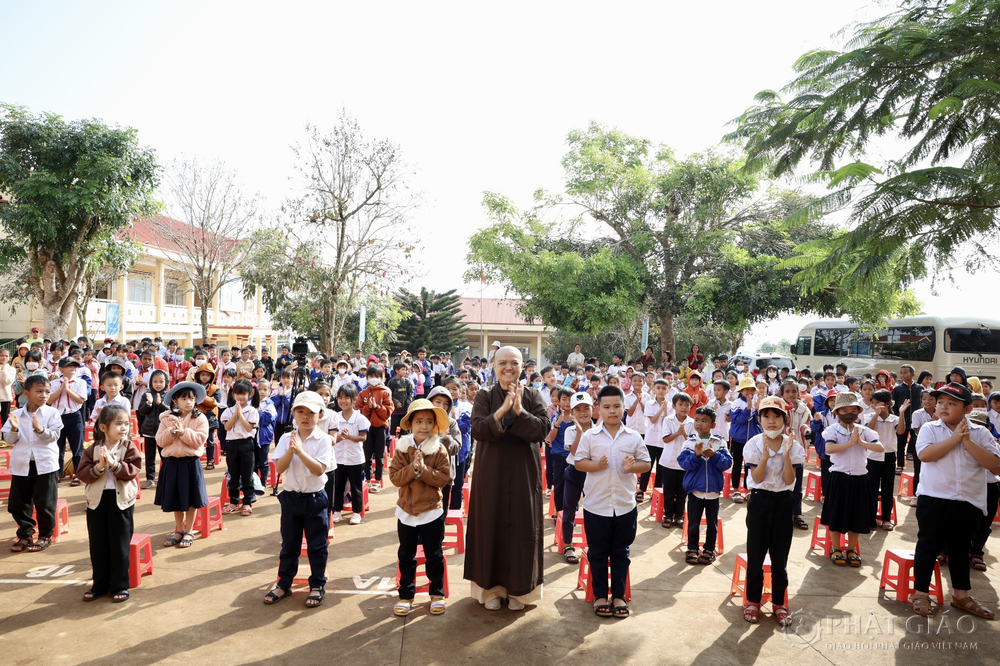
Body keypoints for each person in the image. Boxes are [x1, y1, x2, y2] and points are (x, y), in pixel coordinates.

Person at [466, 346, 549, 611]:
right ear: (493, 365)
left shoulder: (534, 394)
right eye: (502, 363)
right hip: (491, 472)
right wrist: (502, 410)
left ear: (523, 366)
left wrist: (521, 411)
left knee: (524, 528)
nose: (508, 367)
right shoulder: (484, 395)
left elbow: (542, 429)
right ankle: (490, 591)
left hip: (525, 472)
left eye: (514, 362)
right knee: (490, 524)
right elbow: (478, 429)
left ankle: (520, 592)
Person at [909, 383, 1000, 619]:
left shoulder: (981, 433)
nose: (943, 407)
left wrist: (967, 441)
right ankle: (920, 593)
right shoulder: (930, 429)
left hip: (968, 501)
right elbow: (925, 455)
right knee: (928, 546)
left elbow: (995, 465)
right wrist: (955, 439)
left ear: (968, 409)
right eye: (940, 402)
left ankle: (961, 596)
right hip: (934, 499)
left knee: (961, 549)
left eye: (952, 403)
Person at [575, 385, 650, 618]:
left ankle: (618, 596)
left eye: (617, 406)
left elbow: (646, 463)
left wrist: (632, 467)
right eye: (606, 407)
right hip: (596, 506)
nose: (612, 411)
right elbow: (578, 462)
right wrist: (596, 465)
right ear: (598, 409)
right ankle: (599, 596)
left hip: (625, 506)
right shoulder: (590, 436)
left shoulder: (634, 436)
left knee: (620, 552)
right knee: (597, 552)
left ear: (624, 407)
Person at [263, 391, 334, 609]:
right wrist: (292, 451)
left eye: (310, 413)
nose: (304, 416)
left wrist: (301, 452)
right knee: (289, 545)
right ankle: (284, 584)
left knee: (317, 545)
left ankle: (317, 585)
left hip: (315, 500)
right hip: (291, 498)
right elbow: (280, 468)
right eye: (300, 411)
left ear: (320, 415)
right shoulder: (286, 438)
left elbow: (319, 469)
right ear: (293, 413)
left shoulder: (323, 440)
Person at [742, 396, 806, 626]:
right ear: (759, 419)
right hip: (759, 502)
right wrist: (766, 456)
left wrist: (786, 456)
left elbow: (790, 479)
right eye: (766, 416)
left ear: (784, 419)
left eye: (776, 416)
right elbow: (756, 477)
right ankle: (752, 601)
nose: (771, 421)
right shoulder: (754, 444)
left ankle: (780, 603)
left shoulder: (794, 446)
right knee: (756, 555)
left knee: (780, 557)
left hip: (783, 503)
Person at [388, 398, 452, 617]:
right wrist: (412, 468)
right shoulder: (402, 449)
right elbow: (395, 478)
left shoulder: (439, 450)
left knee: (434, 554)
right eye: (418, 421)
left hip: (432, 511)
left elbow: (443, 478)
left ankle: (437, 593)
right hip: (406, 512)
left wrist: (423, 470)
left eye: (428, 421)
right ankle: (406, 595)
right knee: (406, 555)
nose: (423, 426)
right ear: (410, 425)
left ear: (434, 425)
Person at [76, 404, 141, 603]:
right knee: (98, 544)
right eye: (118, 424)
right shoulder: (93, 449)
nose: (124, 428)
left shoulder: (128, 446)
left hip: (121, 502)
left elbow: (134, 468)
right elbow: (82, 474)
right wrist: (99, 467)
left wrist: (114, 465)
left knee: (120, 544)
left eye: (126, 424)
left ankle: (120, 584)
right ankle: (99, 584)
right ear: (103, 427)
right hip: (97, 502)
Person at [821, 391, 883, 567]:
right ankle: (836, 547)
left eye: (853, 410)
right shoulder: (832, 430)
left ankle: (851, 549)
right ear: (837, 412)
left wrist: (861, 443)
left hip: (859, 478)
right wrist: (850, 443)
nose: (849, 413)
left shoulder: (864, 431)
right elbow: (829, 449)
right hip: (839, 478)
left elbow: (879, 447)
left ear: (858, 411)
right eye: (844, 410)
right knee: (836, 515)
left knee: (856, 516)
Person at [3, 374, 63, 552]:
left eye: (47, 392)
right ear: (26, 394)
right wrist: (14, 428)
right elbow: (9, 439)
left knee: (45, 502)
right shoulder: (17, 415)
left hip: (45, 464)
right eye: (39, 391)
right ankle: (25, 534)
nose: (44, 395)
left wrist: (39, 429)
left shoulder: (52, 413)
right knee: (18, 502)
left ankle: (45, 535)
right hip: (23, 464)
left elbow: (54, 437)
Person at [154, 381, 210, 550]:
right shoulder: (166, 418)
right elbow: (160, 441)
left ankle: (190, 530)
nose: (188, 402)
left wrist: (184, 433)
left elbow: (199, 440)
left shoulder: (200, 418)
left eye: (191, 398)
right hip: (172, 463)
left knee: (191, 500)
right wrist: (171, 431)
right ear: (175, 401)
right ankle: (178, 530)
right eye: (183, 398)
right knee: (176, 499)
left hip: (190, 463)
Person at [678, 406, 732, 565]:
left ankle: (709, 549)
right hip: (695, 491)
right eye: (696, 420)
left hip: (713, 492)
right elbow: (683, 463)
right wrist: (696, 455)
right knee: (693, 522)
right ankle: (692, 549)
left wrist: (714, 455)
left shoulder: (719, 443)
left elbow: (727, 463)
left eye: (704, 421)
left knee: (712, 524)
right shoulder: (689, 442)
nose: (699, 423)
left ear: (713, 425)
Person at [560, 391, 594, 564]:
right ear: (572, 413)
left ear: (592, 409)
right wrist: (580, 433)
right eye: (578, 409)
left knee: (593, 509)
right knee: (569, 509)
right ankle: (568, 544)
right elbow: (574, 452)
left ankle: (593, 544)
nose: (582, 413)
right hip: (574, 472)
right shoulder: (570, 430)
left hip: (593, 474)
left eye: (586, 408)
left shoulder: (599, 430)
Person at [329, 383, 370, 525]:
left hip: (355, 459)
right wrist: (341, 436)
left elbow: (363, 437)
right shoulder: (335, 417)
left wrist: (349, 437)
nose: (343, 401)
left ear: (354, 399)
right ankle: (337, 511)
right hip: (338, 458)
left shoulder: (360, 418)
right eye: (340, 397)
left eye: (347, 397)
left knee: (356, 486)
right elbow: (334, 439)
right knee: (338, 486)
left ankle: (356, 513)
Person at [866, 389, 907, 531]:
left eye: (878, 403)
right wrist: (876, 414)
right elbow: (869, 431)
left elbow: (901, 431)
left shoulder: (894, 419)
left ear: (888, 404)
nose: (874, 405)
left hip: (889, 456)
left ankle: (886, 518)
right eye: (873, 403)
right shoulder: (869, 416)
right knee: (870, 489)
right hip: (872, 457)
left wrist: (902, 414)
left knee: (887, 489)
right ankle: (870, 519)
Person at [221, 379, 261, 516]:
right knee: (233, 474)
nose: (240, 397)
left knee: (247, 474)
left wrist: (241, 414)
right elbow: (227, 427)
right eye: (237, 394)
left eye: (243, 394)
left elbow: (249, 428)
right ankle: (233, 501)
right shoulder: (228, 411)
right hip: (232, 445)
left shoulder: (252, 411)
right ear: (233, 394)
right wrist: (235, 414)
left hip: (246, 444)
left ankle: (247, 502)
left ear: (249, 394)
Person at [48, 356, 88, 486]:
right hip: (57, 417)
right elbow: (49, 401)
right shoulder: (54, 383)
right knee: (58, 447)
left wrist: (68, 390)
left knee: (77, 447)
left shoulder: (80, 382)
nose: (73, 368)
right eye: (69, 366)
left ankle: (78, 474)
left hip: (74, 416)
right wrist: (61, 389)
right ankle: (58, 473)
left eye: (75, 366)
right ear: (61, 369)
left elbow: (80, 400)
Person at [659, 393, 694, 528]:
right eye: (680, 404)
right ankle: (668, 515)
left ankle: (679, 516)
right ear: (674, 406)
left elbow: (692, 443)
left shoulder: (692, 422)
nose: (683, 408)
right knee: (668, 491)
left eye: (687, 405)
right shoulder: (668, 420)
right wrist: (678, 433)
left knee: (681, 492)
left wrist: (684, 434)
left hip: (685, 464)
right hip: (668, 461)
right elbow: (665, 439)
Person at [357, 365, 392, 493]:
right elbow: (358, 412)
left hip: (381, 429)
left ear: (382, 378)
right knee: (366, 455)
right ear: (367, 378)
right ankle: (366, 479)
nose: (374, 379)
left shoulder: (385, 393)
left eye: (377, 376)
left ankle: (377, 480)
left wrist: (377, 407)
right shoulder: (363, 393)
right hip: (366, 429)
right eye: (371, 376)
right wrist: (368, 408)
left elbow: (387, 413)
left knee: (379, 455)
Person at [729, 376, 761, 503]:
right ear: (741, 391)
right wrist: (748, 408)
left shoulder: (756, 403)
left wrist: (758, 410)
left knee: (750, 464)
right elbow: (739, 420)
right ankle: (735, 489)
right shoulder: (736, 404)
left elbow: (758, 422)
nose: (749, 392)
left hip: (752, 440)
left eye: (752, 389)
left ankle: (748, 489)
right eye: (746, 389)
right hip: (738, 438)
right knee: (737, 464)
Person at [136, 370, 169, 489]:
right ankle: (150, 478)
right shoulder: (146, 395)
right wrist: (149, 403)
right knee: (150, 456)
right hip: (149, 431)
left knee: (165, 455)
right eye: (155, 381)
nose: (158, 384)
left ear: (166, 382)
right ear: (151, 382)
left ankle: (165, 477)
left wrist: (160, 404)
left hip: (164, 432)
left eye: (161, 381)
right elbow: (141, 411)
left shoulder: (169, 395)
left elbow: (171, 411)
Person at [192, 363, 223, 471]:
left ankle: (210, 460)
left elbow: (215, 403)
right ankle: (195, 458)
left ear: (211, 377)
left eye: (207, 375)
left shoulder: (215, 388)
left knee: (210, 440)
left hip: (210, 416)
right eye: (203, 374)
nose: (205, 377)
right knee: (195, 439)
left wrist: (202, 397)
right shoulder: (193, 387)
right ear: (198, 376)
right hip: (197, 415)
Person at [255, 379, 276, 484]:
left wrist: (255, 413)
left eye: (265, 389)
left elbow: (266, 420)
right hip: (252, 435)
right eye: (259, 389)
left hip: (264, 436)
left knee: (263, 461)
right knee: (253, 462)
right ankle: (254, 483)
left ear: (269, 391)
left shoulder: (270, 404)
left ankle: (263, 482)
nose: (262, 392)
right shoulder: (250, 402)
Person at [387, 362, 414, 436]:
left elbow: (411, 393)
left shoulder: (407, 382)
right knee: (393, 430)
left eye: (405, 370)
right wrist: (395, 402)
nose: (405, 371)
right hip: (395, 411)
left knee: (404, 431)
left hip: (405, 410)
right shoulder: (392, 382)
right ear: (396, 370)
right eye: (402, 370)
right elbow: (388, 394)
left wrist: (407, 403)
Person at [0, 348, 15, 426]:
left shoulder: (11, 369)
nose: (4, 357)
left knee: (5, 419)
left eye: (6, 356)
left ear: (9, 357)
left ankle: (5, 436)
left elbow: (7, 381)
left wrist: (3, 370)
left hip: (5, 398)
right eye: (2, 355)